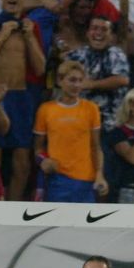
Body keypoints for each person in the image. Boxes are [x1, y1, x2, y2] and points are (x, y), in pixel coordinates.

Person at [0, 0, 46, 201]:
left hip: (22, 98)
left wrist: (30, 37)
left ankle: (12, 210)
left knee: (22, 164)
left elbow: (40, 69)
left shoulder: (32, 27)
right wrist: (3, 36)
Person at [34, 60, 107, 203]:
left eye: (80, 80)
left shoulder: (91, 109)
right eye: (72, 80)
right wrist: (43, 161)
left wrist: (99, 174)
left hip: (85, 180)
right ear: (60, 80)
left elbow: (96, 146)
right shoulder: (45, 110)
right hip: (57, 180)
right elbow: (38, 148)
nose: (77, 85)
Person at [65, 13, 130, 132]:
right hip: (81, 121)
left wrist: (91, 84)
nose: (98, 33)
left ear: (111, 36)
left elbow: (122, 79)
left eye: (104, 29)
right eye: (94, 28)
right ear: (87, 33)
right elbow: (62, 74)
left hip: (110, 124)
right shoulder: (77, 55)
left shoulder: (116, 53)